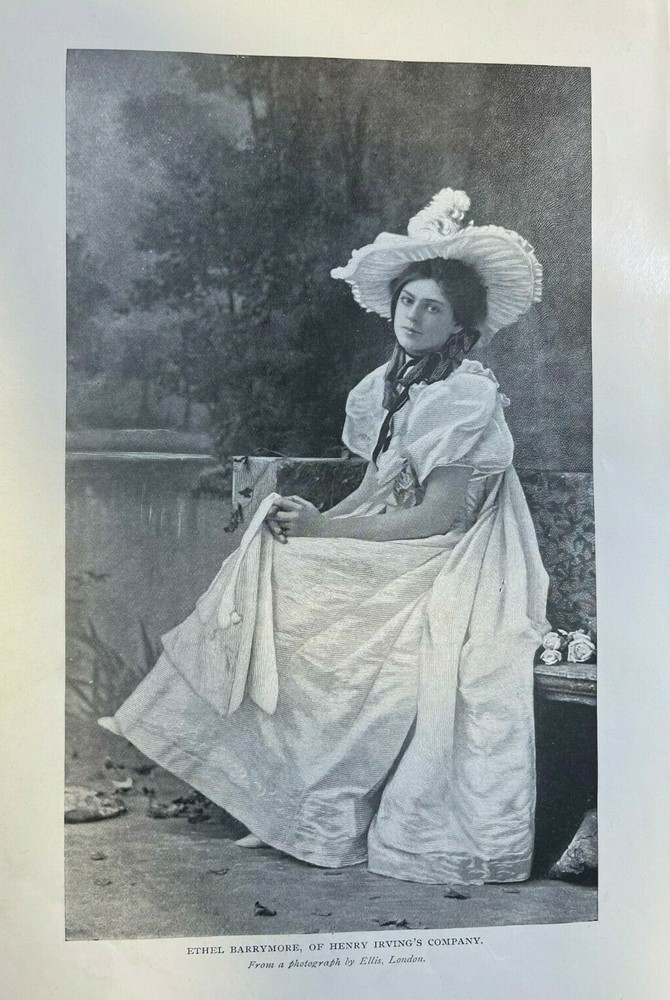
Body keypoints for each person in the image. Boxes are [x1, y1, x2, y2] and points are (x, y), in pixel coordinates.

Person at [100, 188, 549, 885]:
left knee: (327, 612)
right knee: (280, 559)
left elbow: (437, 516)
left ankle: (320, 810)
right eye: (408, 302)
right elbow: (377, 486)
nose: (415, 317)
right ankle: (284, 802)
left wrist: (329, 532)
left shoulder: (463, 394)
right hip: (407, 537)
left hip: (456, 555)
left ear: (459, 324)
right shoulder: (391, 385)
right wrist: (317, 522)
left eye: (434, 309)